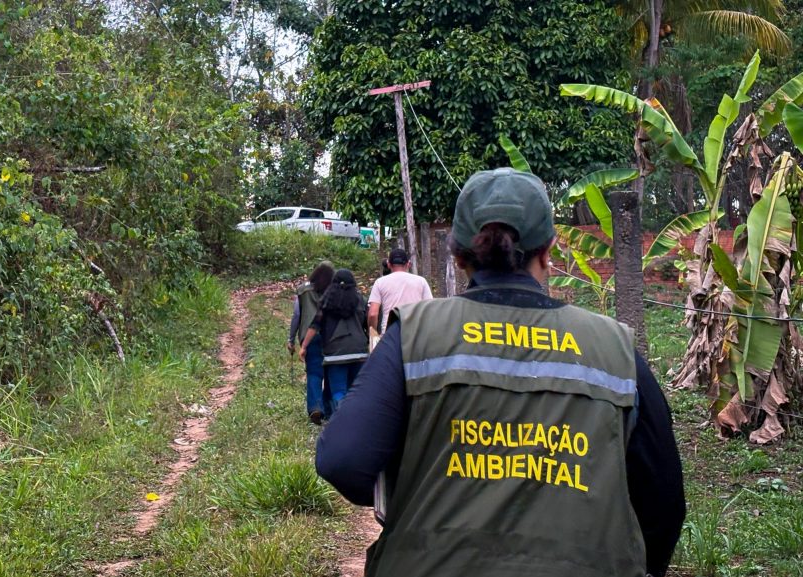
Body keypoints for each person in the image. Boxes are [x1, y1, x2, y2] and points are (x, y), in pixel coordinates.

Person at [315, 168, 685, 577]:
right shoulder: (612, 348)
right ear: (548, 251)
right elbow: (664, 500)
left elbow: (343, 460)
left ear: (457, 255)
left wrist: (418, 495)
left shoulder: (415, 335)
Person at [300, 268, 368, 414]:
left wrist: (304, 346)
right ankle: (356, 420)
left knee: (338, 391)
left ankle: (341, 420)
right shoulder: (360, 300)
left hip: (335, 353)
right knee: (356, 390)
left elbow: (315, 325)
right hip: (359, 351)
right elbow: (368, 322)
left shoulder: (326, 300)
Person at [289, 261, 335, 425]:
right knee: (330, 372)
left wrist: (291, 338)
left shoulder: (303, 290)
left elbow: (296, 315)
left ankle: (316, 407)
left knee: (314, 373)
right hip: (331, 335)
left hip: (309, 336)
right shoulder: (334, 290)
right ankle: (330, 409)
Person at [368, 247, 433, 334]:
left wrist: (373, 334)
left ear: (389, 264)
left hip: (390, 333)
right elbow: (430, 309)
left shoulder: (380, 282)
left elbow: (373, 314)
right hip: (414, 334)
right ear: (408, 264)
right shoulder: (421, 281)